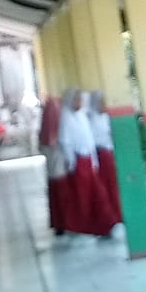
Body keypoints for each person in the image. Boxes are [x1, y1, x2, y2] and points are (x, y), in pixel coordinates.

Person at [56, 87, 119, 238]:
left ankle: (105, 223)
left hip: (89, 159)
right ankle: (84, 226)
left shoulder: (82, 116)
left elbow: (89, 139)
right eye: (77, 100)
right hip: (78, 161)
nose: (80, 103)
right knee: (82, 197)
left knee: (97, 194)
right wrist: (72, 162)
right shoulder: (66, 118)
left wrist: (93, 160)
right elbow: (65, 142)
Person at [39, 93, 71, 234]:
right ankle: (64, 222)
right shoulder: (56, 137)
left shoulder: (45, 133)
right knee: (61, 193)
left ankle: (59, 223)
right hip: (57, 168)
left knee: (55, 193)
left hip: (52, 170)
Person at [87, 90, 122, 221]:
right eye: (102, 103)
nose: (105, 105)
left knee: (114, 186)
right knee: (105, 187)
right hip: (101, 156)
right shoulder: (92, 120)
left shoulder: (106, 117)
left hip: (110, 154)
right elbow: (91, 142)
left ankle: (117, 213)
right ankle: (109, 216)